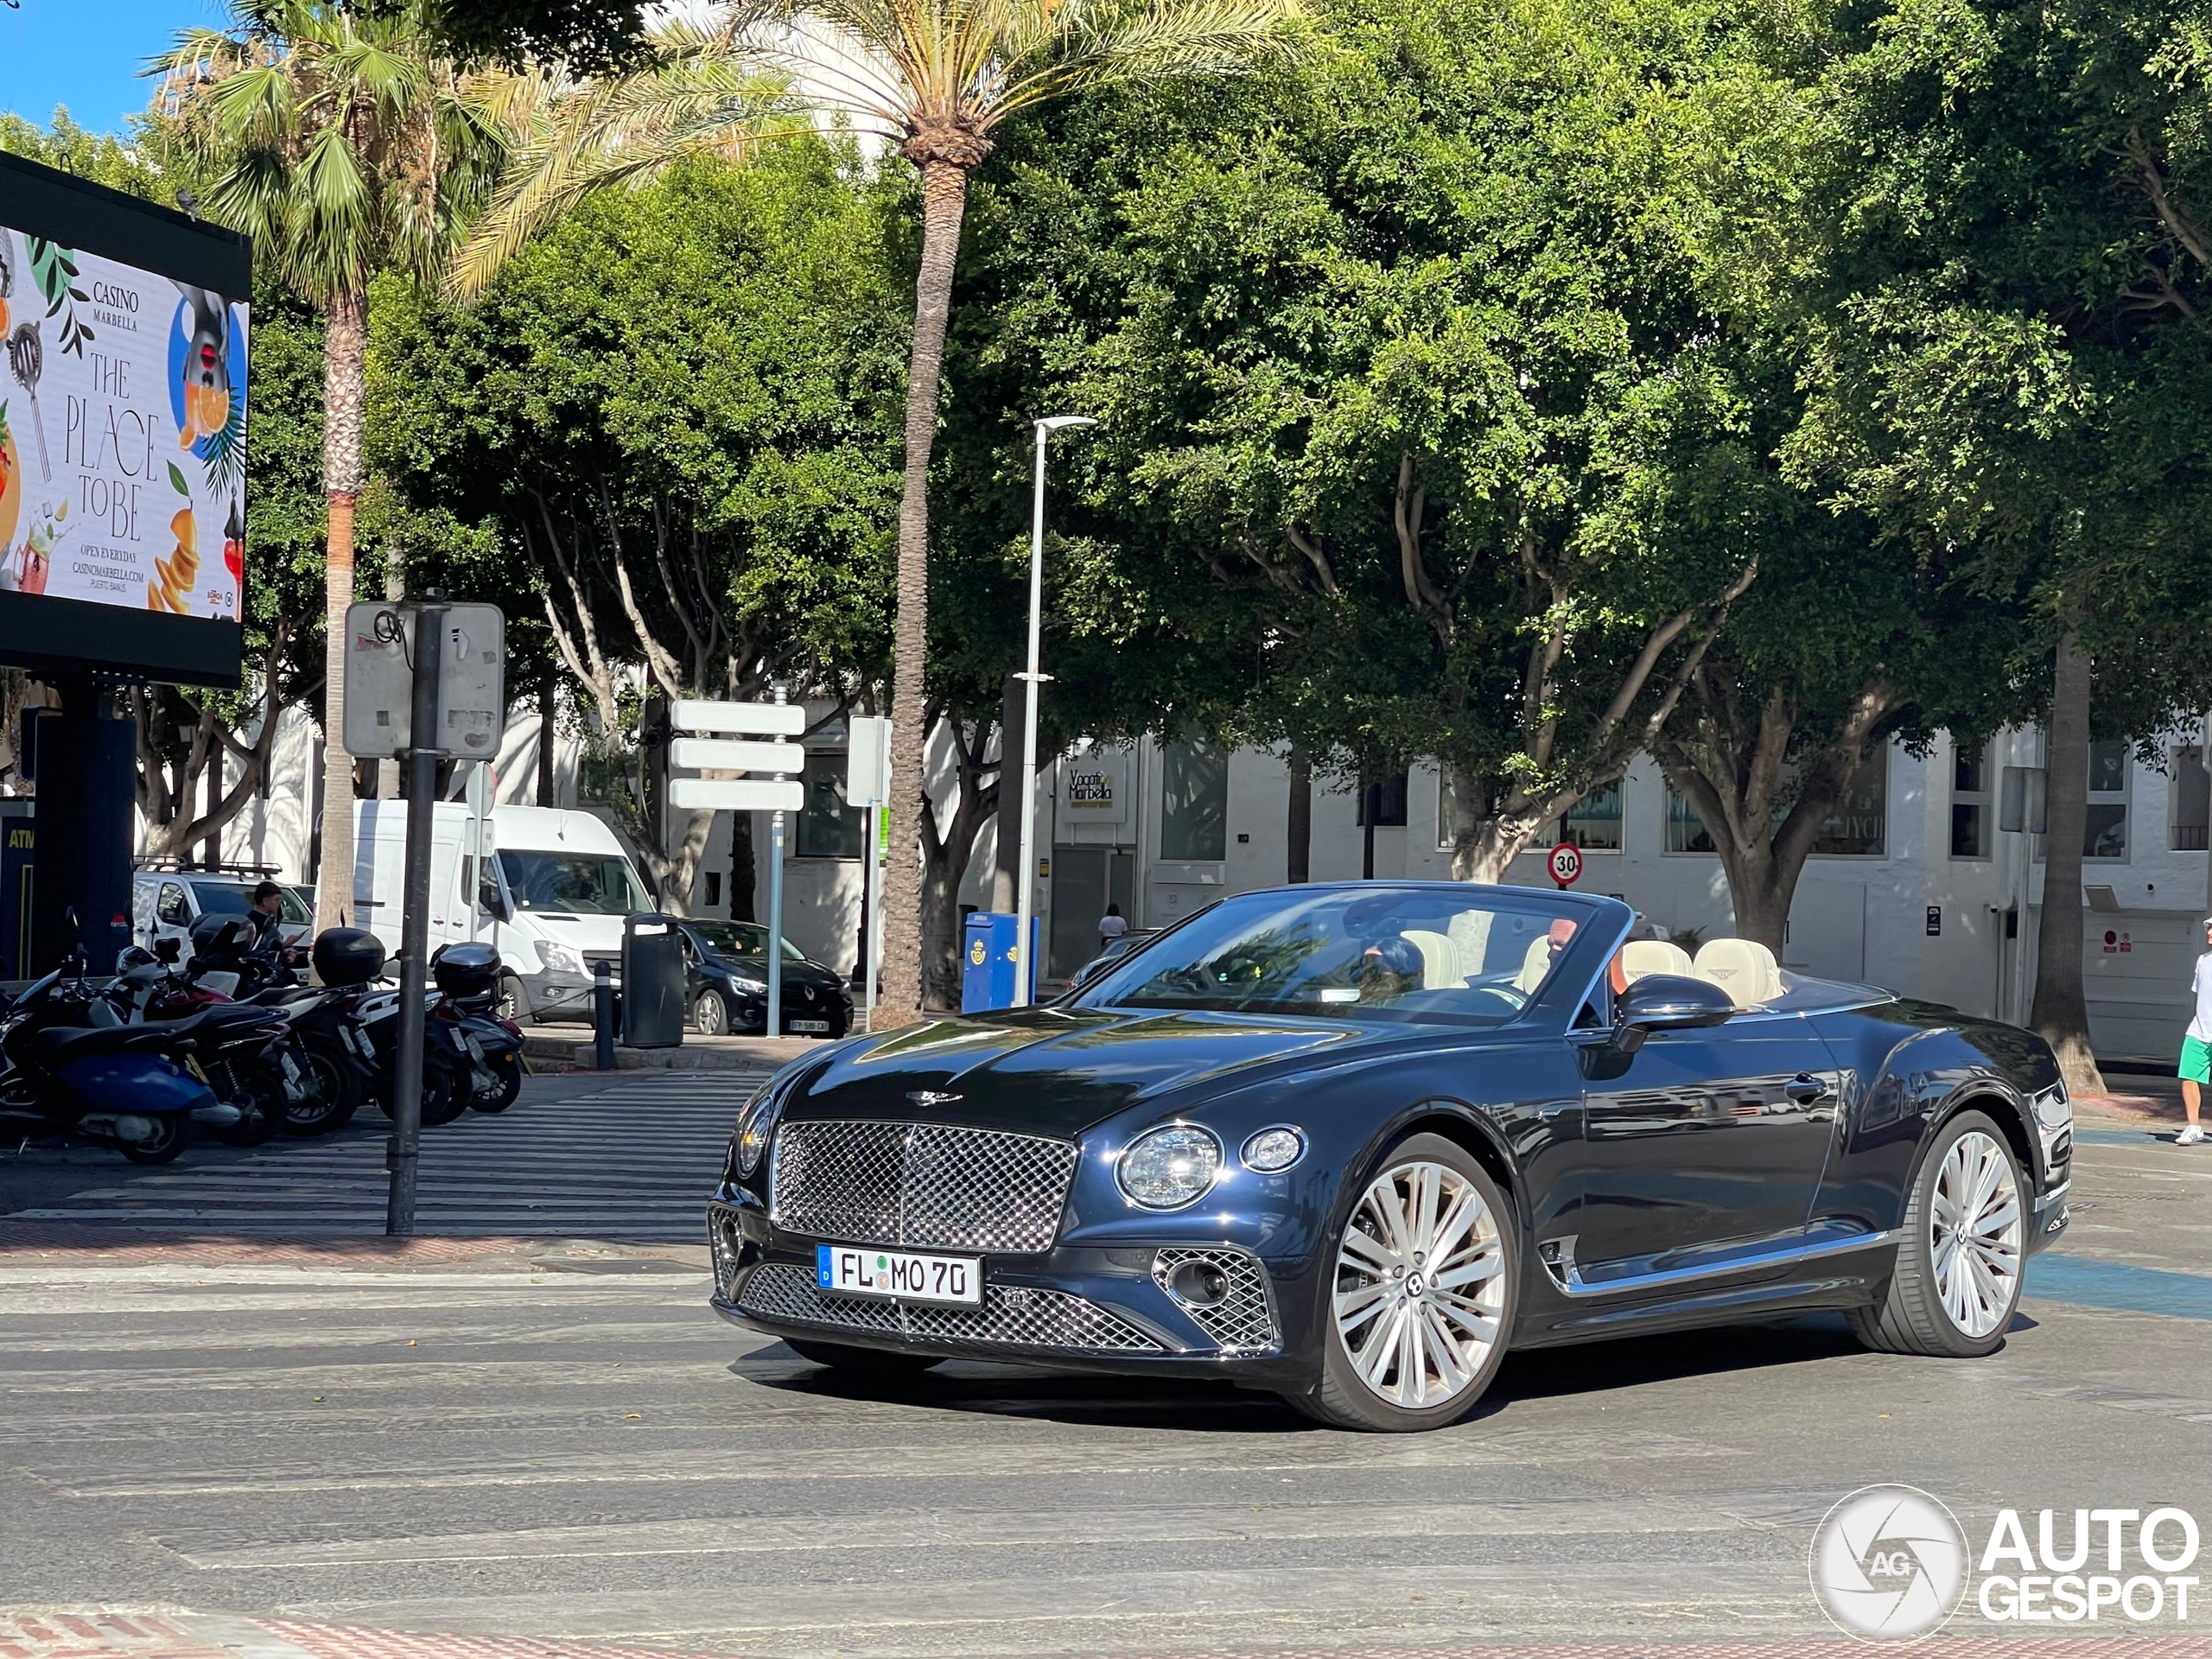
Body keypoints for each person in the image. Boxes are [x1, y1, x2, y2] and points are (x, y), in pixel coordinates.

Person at [2180, 913, 2212, 1146]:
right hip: (2199, 1032)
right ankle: (2194, 1127)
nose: (2209, 932)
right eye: (2209, 928)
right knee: (2189, 1077)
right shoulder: (2202, 961)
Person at [245, 880, 288, 953]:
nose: (279, 904)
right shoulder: (254, 922)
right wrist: (285, 944)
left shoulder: (267, 920)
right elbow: (257, 948)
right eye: (276, 900)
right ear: (265, 901)